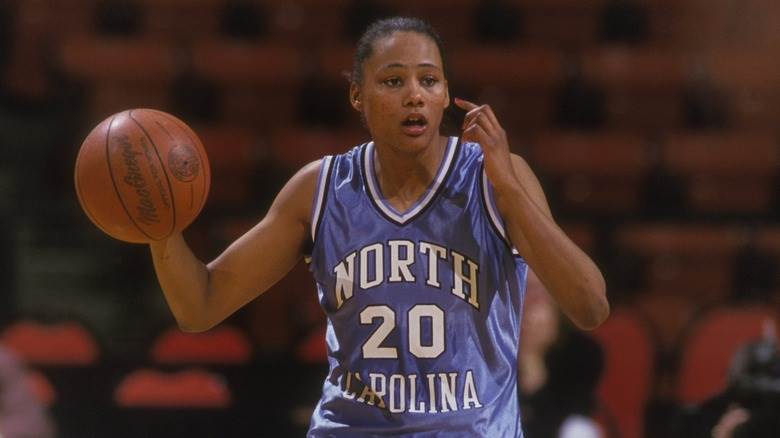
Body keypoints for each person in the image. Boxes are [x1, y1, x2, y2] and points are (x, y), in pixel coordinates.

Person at [148, 16, 609, 437]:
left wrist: (508, 188)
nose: (414, 94)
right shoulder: (320, 189)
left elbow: (590, 306)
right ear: (357, 96)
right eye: (393, 81)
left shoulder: (495, 178)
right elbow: (199, 306)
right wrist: (159, 230)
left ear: (446, 94)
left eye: (429, 80)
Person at [518, 270, 604, 438]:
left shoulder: (582, 353)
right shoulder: (484, 345)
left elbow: (571, 414)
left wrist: (532, 359)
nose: (527, 303)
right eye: (521, 290)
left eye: (538, 293)